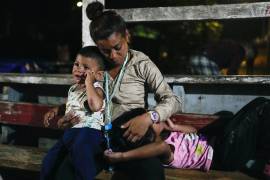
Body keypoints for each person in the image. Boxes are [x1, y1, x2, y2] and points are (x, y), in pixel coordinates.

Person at [56, 1, 182, 180]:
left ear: (127, 36)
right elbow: (81, 97)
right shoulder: (95, 64)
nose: (113, 56)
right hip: (96, 136)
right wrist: (69, 116)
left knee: (152, 172)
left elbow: (173, 100)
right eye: (105, 51)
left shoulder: (141, 63)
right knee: (65, 171)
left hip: (129, 136)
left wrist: (148, 117)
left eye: (117, 47)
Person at [104, 97, 270, 178]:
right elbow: (160, 147)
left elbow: (193, 132)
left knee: (230, 115)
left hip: (222, 146)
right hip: (223, 156)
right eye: (152, 120)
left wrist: (176, 127)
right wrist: (122, 156)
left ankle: (264, 158)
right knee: (261, 106)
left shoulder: (170, 135)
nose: (156, 117)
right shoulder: (163, 150)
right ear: (146, 134)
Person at [40, 46, 106, 180]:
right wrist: (56, 110)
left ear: (98, 74)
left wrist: (89, 83)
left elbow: (95, 105)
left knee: (81, 156)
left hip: (90, 134)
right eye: (76, 64)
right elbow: (71, 106)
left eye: (86, 68)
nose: (78, 69)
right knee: (49, 160)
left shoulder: (97, 89)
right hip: (71, 133)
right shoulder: (73, 89)